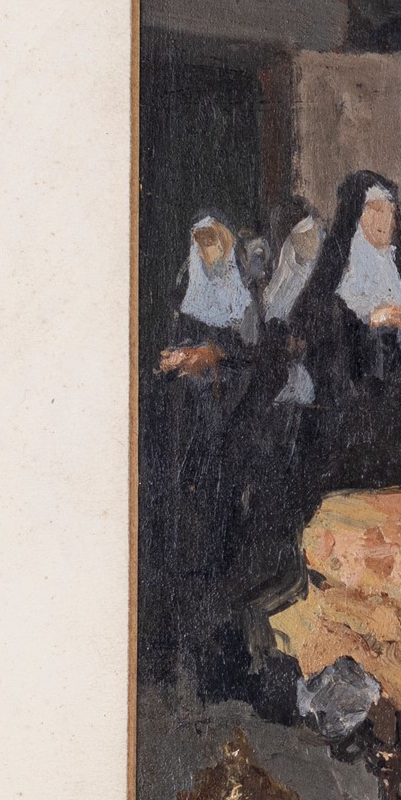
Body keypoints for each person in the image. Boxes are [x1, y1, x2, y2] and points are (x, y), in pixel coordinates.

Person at [140, 213, 261, 686]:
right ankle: (176, 650)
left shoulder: (240, 297)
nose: (210, 252)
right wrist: (175, 362)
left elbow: (249, 353)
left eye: (217, 243)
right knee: (179, 541)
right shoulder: (182, 292)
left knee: (215, 542)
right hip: (182, 431)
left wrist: (211, 357)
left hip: (221, 432)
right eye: (203, 244)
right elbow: (163, 353)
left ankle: (212, 653)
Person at [278, 171, 401, 503]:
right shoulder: (336, 276)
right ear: (356, 214)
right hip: (347, 423)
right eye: (376, 209)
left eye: (391, 211)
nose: (386, 220)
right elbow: (318, 339)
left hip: (400, 423)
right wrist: (368, 323)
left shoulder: (400, 275)